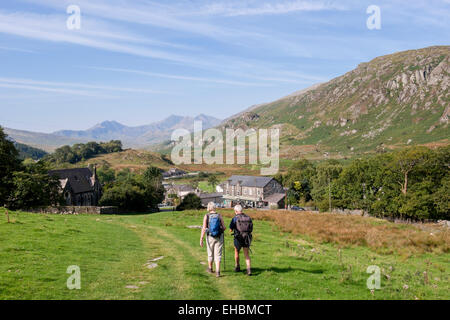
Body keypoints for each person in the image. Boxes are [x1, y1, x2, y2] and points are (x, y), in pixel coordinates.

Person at [200, 202, 226, 277]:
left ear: (208, 208)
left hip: (209, 237)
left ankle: (210, 268)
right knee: (218, 254)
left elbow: (204, 228)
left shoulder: (207, 216)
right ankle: (218, 271)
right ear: (214, 207)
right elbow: (224, 227)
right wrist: (220, 229)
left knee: (210, 252)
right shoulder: (219, 215)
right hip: (219, 237)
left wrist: (201, 238)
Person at [229, 204, 253, 276]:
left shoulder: (235, 218)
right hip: (246, 237)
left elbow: (230, 229)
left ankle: (237, 266)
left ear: (236, 211)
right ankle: (248, 269)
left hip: (238, 237)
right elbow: (251, 229)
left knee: (236, 252)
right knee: (246, 254)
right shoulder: (248, 218)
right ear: (242, 210)